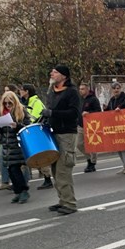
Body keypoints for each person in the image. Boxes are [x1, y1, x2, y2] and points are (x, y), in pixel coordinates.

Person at [42, 64, 81, 215]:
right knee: (55, 170)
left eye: (55, 72)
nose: (51, 73)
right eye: (51, 71)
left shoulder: (72, 92)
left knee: (63, 170)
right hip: (53, 133)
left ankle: (70, 204)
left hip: (66, 135)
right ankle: (62, 200)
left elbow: (74, 113)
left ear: (64, 76)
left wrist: (52, 113)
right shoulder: (52, 91)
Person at [0, 91, 31, 204]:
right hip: (7, 145)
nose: (7, 105)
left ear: (15, 102)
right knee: (10, 170)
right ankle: (18, 191)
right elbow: (0, 130)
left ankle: (23, 191)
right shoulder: (2, 113)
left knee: (15, 168)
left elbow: (28, 127)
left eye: (10, 103)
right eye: (5, 103)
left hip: (17, 145)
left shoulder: (22, 112)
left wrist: (17, 126)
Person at [20, 83, 53, 189]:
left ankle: (47, 179)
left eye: (21, 90)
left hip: (36, 132)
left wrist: (25, 120)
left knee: (40, 156)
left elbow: (35, 117)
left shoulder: (35, 101)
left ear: (27, 92)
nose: (20, 92)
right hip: (29, 131)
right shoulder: (27, 102)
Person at [105, 81, 125, 174]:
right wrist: (106, 108)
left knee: (124, 146)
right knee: (119, 146)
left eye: (118, 88)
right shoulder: (112, 100)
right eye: (114, 88)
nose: (116, 90)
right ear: (112, 90)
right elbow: (110, 111)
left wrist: (121, 110)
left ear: (120, 89)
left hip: (123, 125)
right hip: (115, 126)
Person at [77, 82, 102, 173]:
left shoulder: (93, 99)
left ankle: (92, 163)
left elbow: (98, 111)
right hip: (81, 125)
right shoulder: (80, 100)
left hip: (91, 126)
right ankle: (89, 158)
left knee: (92, 145)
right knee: (79, 144)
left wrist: (89, 113)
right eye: (80, 89)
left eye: (83, 89)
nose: (81, 91)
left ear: (87, 89)